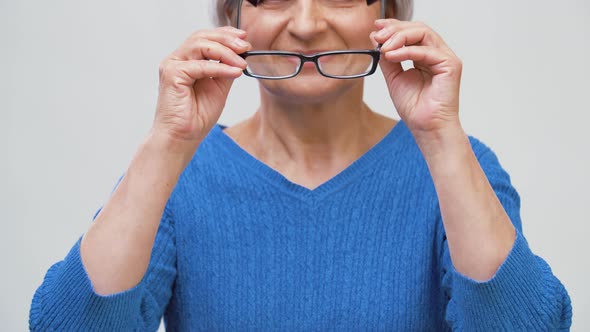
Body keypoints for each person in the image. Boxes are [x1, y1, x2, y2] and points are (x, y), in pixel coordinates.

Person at [30, 0, 572, 330]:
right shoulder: (178, 175)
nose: (308, 25)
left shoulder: (458, 164)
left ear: (387, 16)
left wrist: (440, 136)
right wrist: (169, 142)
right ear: (230, 16)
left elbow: (525, 324)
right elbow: (72, 323)